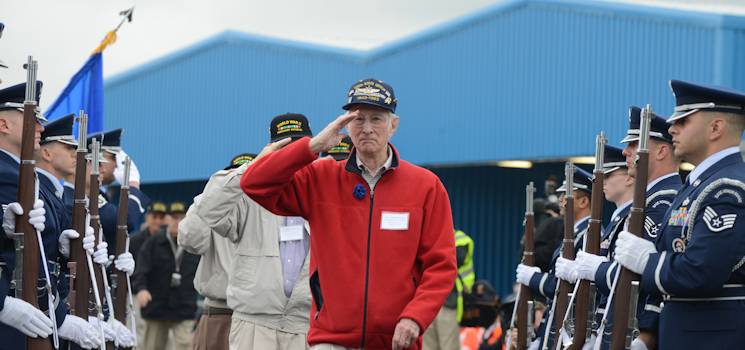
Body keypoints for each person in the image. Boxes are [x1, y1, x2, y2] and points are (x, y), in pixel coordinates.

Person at [241, 78, 457, 350]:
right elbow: (254, 184)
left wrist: (415, 318)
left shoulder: (426, 186)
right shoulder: (320, 178)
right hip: (331, 340)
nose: (367, 128)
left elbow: (441, 266)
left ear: (393, 125)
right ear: (346, 125)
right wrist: (312, 146)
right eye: (358, 119)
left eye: (376, 118)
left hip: (396, 341)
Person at [614, 80, 745, 349]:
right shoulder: (697, 186)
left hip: (712, 338)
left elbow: (700, 274)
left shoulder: (726, 190)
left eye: (683, 121)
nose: (671, 128)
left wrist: (647, 261)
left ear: (716, 128)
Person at [195, 114, 315, 350]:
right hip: (255, 324)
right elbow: (207, 209)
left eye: (298, 148)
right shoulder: (249, 194)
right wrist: (253, 166)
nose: (291, 158)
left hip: (305, 325)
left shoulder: (323, 188)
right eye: (284, 149)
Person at [0, 82, 102, 349]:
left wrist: (65, 245)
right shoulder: (7, 173)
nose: (41, 128)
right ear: (4, 124)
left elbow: (43, 259)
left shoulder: (28, 178)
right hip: (16, 313)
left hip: (37, 309)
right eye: (32, 119)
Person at [515, 166, 592, 350]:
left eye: (567, 195)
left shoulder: (589, 237)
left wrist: (533, 278)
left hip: (571, 328)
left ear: (583, 201)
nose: (560, 200)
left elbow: (563, 287)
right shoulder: (572, 235)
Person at [133, 201, 200, 350]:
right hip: (157, 307)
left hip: (185, 307)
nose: (178, 222)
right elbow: (141, 270)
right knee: (152, 346)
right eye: (174, 218)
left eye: (182, 218)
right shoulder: (153, 242)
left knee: (185, 345)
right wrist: (141, 289)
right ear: (167, 220)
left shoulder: (195, 243)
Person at [424, 229, 474, 350]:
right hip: (427, 303)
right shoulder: (428, 238)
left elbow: (450, 261)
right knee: (427, 346)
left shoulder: (461, 239)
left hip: (448, 303)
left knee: (448, 346)